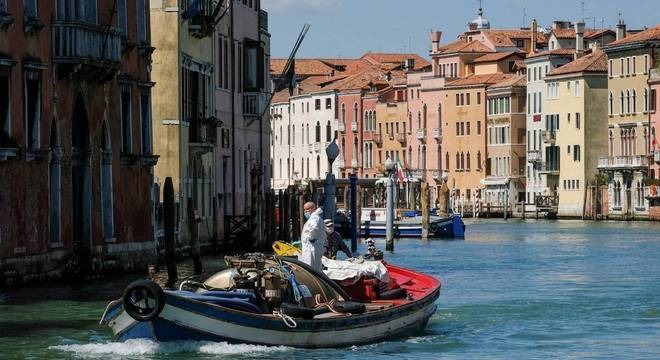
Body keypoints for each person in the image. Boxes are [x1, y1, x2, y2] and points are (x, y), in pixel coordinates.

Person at [298, 202, 326, 271]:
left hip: (311, 248)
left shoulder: (314, 218)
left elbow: (314, 228)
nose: (305, 211)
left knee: (310, 268)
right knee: (317, 268)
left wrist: (310, 238)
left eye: (307, 209)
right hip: (315, 247)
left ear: (313, 208)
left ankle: (310, 281)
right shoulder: (317, 218)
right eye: (304, 209)